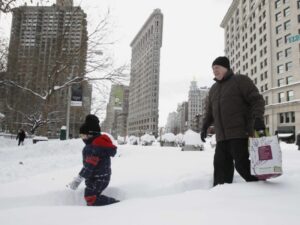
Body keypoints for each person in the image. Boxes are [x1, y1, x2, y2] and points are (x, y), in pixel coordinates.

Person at [201, 56, 266, 187]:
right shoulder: (213, 89)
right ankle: (221, 195)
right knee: (220, 166)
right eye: (213, 68)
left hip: (239, 133)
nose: (214, 70)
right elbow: (210, 112)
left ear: (226, 68)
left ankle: (261, 189)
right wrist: (204, 127)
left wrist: (257, 118)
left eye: (217, 67)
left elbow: (257, 100)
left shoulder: (240, 80)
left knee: (242, 165)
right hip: (221, 137)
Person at [68, 114, 119, 206]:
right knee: (91, 195)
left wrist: (78, 180)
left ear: (90, 135)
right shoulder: (98, 144)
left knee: (90, 198)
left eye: (83, 136)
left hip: (98, 178)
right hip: (100, 177)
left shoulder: (93, 147)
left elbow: (89, 166)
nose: (82, 139)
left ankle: (116, 204)